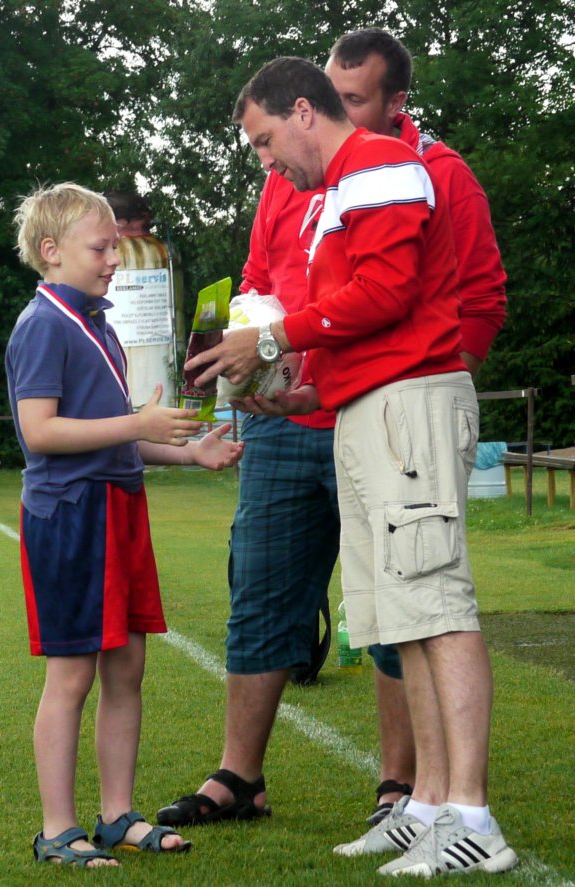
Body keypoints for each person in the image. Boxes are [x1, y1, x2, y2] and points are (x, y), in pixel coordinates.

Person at [156, 28, 507, 843]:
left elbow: (387, 291)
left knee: (436, 610)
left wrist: (274, 341)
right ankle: (426, 807)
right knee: (399, 615)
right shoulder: (345, 178)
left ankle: (466, 814)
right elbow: (347, 305)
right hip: (363, 405)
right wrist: (311, 384)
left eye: (265, 141)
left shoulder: (383, 165)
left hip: (407, 407)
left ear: (303, 112)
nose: (265, 161)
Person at [5, 182, 243, 867]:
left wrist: (186, 452)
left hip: (119, 508)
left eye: (115, 245)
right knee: (72, 675)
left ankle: (116, 815)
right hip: (72, 516)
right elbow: (40, 431)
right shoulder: (43, 323)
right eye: (101, 247)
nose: (115, 258)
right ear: (51, 250)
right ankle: (57, 829)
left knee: (127, 668)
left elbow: (117, 439)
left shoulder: (99, 324)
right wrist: (139, 422)